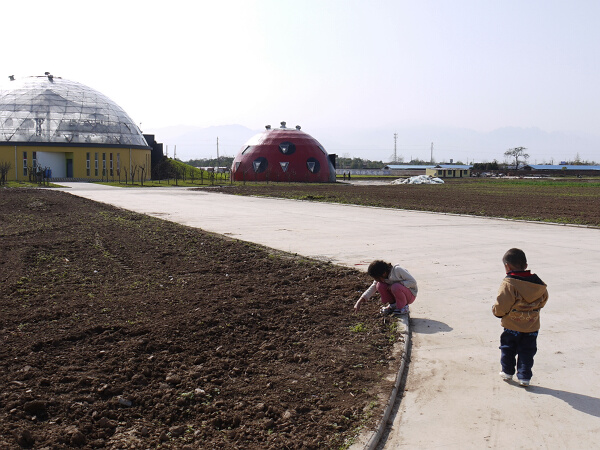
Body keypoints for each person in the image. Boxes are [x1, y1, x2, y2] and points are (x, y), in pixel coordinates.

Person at [492, 248, 548, 387]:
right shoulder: (538, 283)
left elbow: (503, 304)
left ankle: (507, 372)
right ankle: (524, 376)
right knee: (527, 351)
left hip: (512, 325)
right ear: (526, 265)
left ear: (507, 266)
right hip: (532, 326)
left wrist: (497, 313)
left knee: (508, 348)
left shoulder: (509, 283)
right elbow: (544, 299)